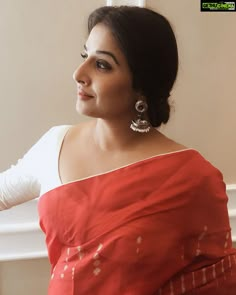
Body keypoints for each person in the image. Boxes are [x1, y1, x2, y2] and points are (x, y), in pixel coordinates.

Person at [0, 5, 236, 295]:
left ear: (142, 85)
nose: (78, 73)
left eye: (102, 65)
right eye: (85, 56)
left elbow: (214, 283)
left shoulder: (192, 179)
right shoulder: (55, 144)